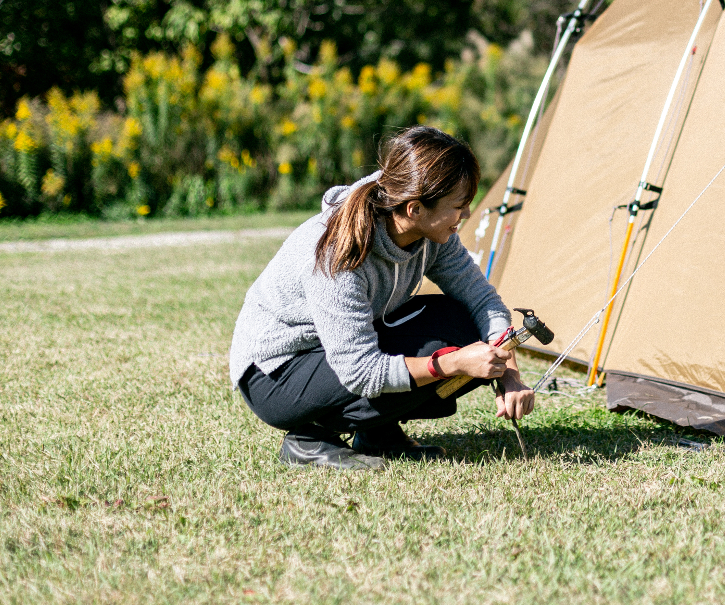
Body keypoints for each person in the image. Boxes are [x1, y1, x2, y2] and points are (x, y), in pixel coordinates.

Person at [228, 125, 534, 469]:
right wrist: (452, 363)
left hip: (341, 350)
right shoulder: (338, 252)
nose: (466, 215)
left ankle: (377, 433)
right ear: (415, 209)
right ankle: (309, 439)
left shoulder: (433, 234)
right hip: (276, 373)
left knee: (463, 323)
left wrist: (509, 371)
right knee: (451, 353)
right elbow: (359, 371)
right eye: (459, 205)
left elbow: (482, 300)